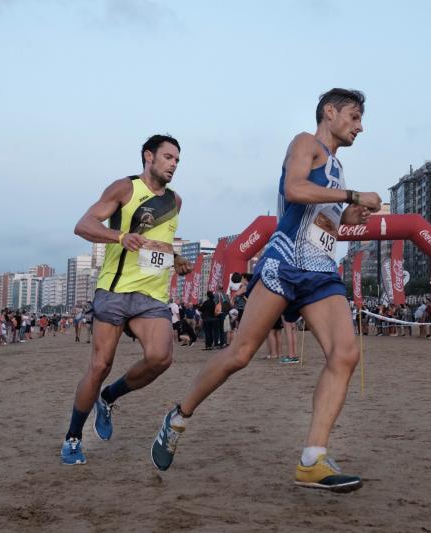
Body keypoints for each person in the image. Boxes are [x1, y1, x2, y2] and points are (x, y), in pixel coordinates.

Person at [150, 89, 381, 493]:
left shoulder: (339, 167)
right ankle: (179, 415)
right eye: (355, 116)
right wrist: (353, 196)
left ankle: (313, 459)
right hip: (286, 262)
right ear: (330, 112)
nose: (360, 126)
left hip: (321, 270)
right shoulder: (305, 143)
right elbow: (294, 190)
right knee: (239, 354)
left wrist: (347, 216)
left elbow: (325, 221)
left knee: (345, 354)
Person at [59, 134, 192, 466]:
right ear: (149, 156)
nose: (174, 164)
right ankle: (73, 437)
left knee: (161, 358)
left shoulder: (175, 202)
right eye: (168, 157)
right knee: (100, 365)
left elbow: (159, 243)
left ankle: (109, 397)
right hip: (115, 290)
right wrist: (120, 236)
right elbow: (84, 224)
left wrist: (176, 259)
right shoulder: (125, 188)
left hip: (152, 296)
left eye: (177, 159)